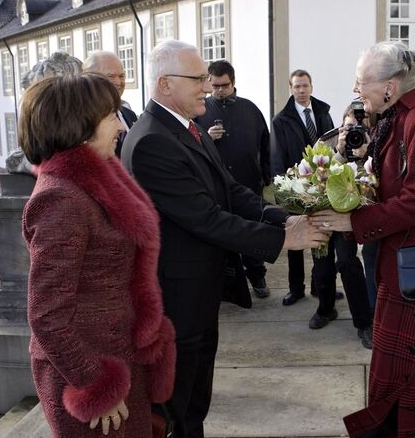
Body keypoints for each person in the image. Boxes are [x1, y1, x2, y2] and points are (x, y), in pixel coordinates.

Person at [120, 40, 328, 438]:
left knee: (197, 398)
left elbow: (231, 191)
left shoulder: (188, 126)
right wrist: (282, 241)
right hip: (177, 300)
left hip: (200, 290)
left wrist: (283, 218)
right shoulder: (150, 141)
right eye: (197, 79)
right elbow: (208, 219)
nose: (206, 86)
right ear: (165, 84)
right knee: (177, 404)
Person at [312, 41, 415, 437]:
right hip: (402, 274)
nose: (356, 89)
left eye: (361, 81)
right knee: (394, 387)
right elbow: (393, 188)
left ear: (390, 85)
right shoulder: (392, 122)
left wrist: (356, 221)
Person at [19, 73, 176, 437]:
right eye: (110, 116)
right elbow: (46, 315)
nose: (121, 126)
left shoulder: (95, 180)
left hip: (117, 357)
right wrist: (95, 384)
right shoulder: (61, 198)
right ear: (81, 125)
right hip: (87, 373)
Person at [195, 60, 271, 298]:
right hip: (214, 187)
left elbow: (266, 145)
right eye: (214, 85)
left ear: (233, 83)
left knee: (253, 235)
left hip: (248, 184)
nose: (218, 90)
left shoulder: (250, 109)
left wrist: (267, 176)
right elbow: (188, 147)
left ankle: (257, 277)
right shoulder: (200, 111)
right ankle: (225, 286)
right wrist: (206, 138)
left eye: (224, 85)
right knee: (220, 239)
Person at [270, 69, 336, 306]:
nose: (301, 90)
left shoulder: (323, 113)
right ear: (291, 89)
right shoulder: (280, 121)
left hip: (321, 185)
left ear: (311, 87)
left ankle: (321, 285)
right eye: (296, 86)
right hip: (295, 186)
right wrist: (282, 191)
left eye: (304, 86)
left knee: (323, 235)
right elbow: (276, 156)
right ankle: (295, 288)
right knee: (296, 240)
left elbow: (332, 146)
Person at [311, 105, 374, 349]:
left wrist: (364, 153)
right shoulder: (326, 141)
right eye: (349, 128)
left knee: (348, 264)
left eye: (360, 128)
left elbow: (374, 180)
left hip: (350, 217)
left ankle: (363, 322)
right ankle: (325, 309)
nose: (354, 132)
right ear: (341, 125)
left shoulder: (373, 142)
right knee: (322, 267)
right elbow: (314, 178)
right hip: (324, 212)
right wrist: (339, 152)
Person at [83, 51, 138, 158]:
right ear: (89, 78)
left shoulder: (129, 114)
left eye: (121, 76)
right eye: (111, 76)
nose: (118, 82)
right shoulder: (84, 120)